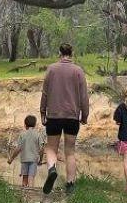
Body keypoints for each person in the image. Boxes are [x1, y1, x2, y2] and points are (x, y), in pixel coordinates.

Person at [38, 43, 90, 194]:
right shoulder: (78, 71)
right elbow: (84, 96)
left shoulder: (51, 69)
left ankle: (52, 169)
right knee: (70, 151)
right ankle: (70, 184)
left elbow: (45, 93)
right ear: (72, 53)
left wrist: (42, 113)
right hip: (72, 117)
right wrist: (84, 115)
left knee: (51, 148)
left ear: (59, 53)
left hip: (54, 116)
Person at [9, 114, 45, 189]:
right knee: (31, 178)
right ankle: (31, 195)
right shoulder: (38, 135)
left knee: (24, 178)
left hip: (24, 159)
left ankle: (24, 195)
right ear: (35, 125)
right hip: (34, 160)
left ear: (25, 124)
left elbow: (18, 149)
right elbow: (42, 149)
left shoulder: (22, 134)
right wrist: (40, 160)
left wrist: (11, 158)